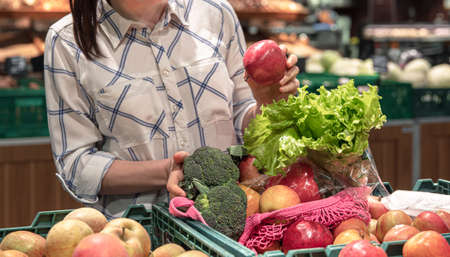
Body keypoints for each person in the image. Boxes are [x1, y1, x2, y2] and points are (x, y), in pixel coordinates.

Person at [44, 0, 299, 218]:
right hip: (141, 232)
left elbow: (242, 117)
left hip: (234, 223)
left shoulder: (216, 14)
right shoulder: (67, 41)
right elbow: (77, 165)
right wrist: (169, 171)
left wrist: (268, 101)